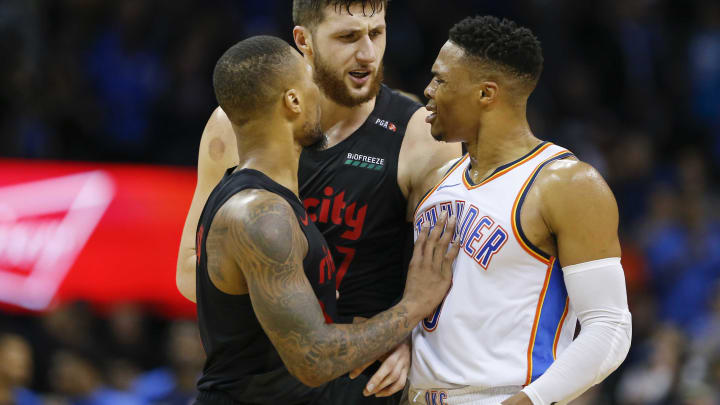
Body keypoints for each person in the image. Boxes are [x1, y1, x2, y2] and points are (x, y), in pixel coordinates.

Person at [176, 1, 460, 402]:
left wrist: (413, 338)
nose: (367, 54)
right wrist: (312, 318)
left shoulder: (420, 136)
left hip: (358, 385)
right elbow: (192, 272)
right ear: (303, 41)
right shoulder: (239, 123)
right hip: (269, 378)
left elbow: (446, 273)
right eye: (347, 37)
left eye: (376, 34)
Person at [407, 16, 632, 405]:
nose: (428, 91)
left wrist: (530, 401)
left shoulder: (565, 184)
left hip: (503, 395)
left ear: (486, 94)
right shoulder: (436, 182)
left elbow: (609, 327)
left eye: (441, 80)